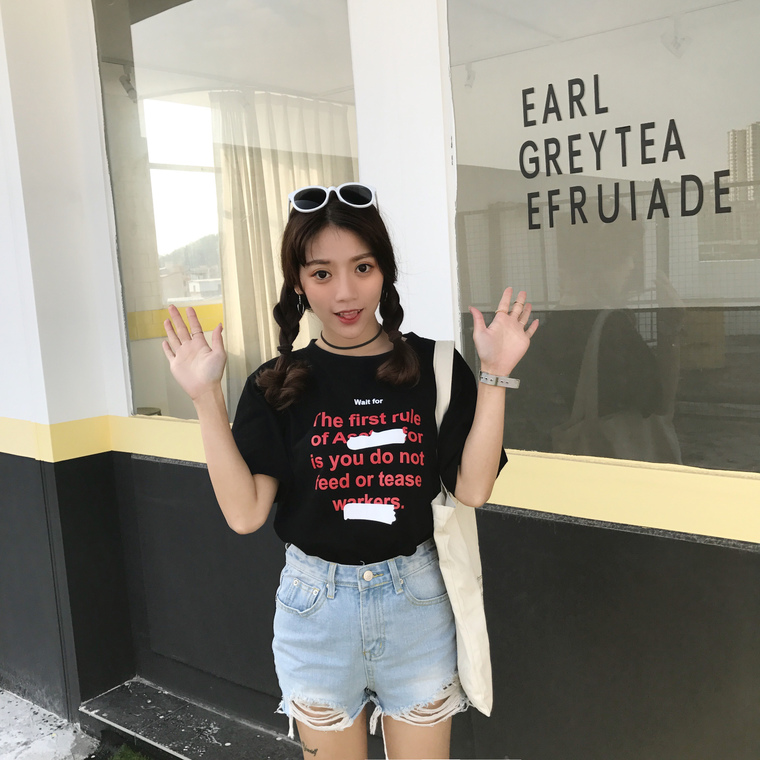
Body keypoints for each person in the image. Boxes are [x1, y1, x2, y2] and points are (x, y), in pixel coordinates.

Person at [162, 183, 538, 760]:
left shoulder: (435, 365)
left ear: (384, 270)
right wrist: (204, 397)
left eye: (362, 267)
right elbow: (245, 514)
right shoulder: (276, 383)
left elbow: (474, 489)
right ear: (298, 283)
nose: (344, 292)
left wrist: (494, 374)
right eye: (321, 273)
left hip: (417, 604)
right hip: (316, 611)